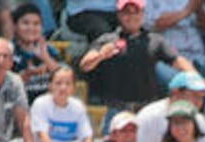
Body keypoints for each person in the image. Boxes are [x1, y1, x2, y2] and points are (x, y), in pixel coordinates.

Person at [79, 0, 194, 128]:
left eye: (136, 12)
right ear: (119, 15)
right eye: (126, 12)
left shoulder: (155, 40)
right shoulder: (108, 40)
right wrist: (101, 55)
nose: (131, 17)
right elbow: (85, 65)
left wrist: (195, 78)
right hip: (117, 111)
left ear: (143, 14)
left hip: (148, 111)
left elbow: (178, 61)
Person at [134, 70, 205, 142]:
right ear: (175, 93)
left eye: (201, 97)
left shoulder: (199, 120)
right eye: (194, 95)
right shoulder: (150, 117)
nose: (198, 102)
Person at [144, 0, 205, 77]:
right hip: (171, 60)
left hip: (198, 55)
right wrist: (187, 11)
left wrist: (199, 10)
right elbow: (152, 25)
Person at [12, 3, 61, 106]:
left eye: (36, 24)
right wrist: (27, 75)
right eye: (25, 23)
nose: (31, 28)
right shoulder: (8, 52)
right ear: (15, 26)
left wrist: (46, 58)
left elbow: (63, 78)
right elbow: (3, 85)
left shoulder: (50, 50)